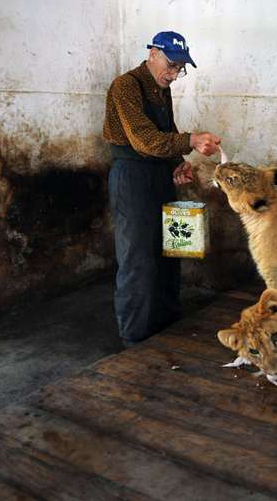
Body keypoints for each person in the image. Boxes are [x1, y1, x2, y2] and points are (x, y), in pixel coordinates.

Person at [103, 30, 220, 345]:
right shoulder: (125, 86)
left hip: (158, 173)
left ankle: (168, 323)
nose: (173, 74)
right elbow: (145, 139)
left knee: (169, 251)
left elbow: (165, 132)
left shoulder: (161, 88)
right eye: (170, 65)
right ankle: (135, 337)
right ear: (153, 52)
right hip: (132, 177)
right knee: (138, 257)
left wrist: (177, 163)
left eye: (180, 68)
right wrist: (192, 140)